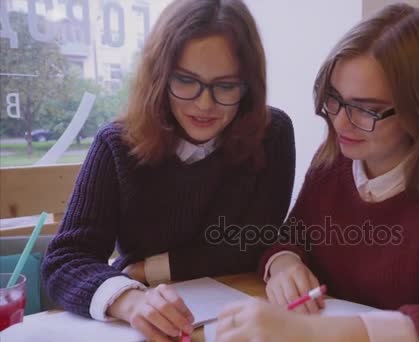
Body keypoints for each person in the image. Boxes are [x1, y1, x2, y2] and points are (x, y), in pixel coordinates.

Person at [214, 3, 419, 342]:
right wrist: (284, 263)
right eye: (334, 99)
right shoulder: (333, 164)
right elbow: (289, 235)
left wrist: (333, 332)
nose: (339, 122)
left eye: (366, 110)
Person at [41, 0, 295, 341]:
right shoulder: (116, 144)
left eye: (226, 86)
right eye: (187, 81)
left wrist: (150, 268)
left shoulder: (272, 133)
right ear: (160, 76)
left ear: (248, 86)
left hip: (240, 314)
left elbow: (253, 242)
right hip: (151, 317)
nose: (204, 104)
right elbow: (64, 261)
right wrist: (130, 300)